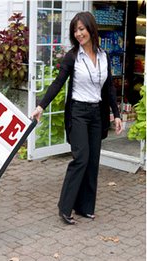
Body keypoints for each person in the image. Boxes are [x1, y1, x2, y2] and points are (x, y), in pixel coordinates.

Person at [31, 11, 123, 225]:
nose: (79, 33)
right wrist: (41, 106)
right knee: (81, 158)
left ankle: (85, 207)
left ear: (91, 29)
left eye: (82, 29)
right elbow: (58, 83)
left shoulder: (103, 56)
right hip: (78, 113)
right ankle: (65, 207)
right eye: (76, 30)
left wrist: (116, 114)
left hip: (96, 114)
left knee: (92, 162)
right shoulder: (73, 57)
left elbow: (109, 87)